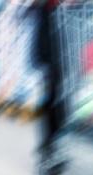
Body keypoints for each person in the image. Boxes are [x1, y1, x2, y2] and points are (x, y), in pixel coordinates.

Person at [31, 0, 64, 159]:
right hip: (50, 52)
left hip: (66, 47)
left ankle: (53, 138)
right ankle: (48, 142)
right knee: (51, 97)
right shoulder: (46, 8)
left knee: (59, 95)